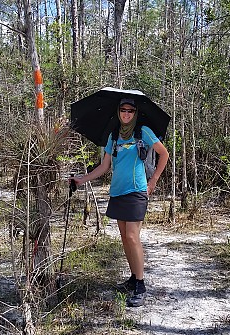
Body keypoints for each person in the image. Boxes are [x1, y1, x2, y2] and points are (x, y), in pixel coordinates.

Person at [70, 97, 169, 307]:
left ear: (135, 113)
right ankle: (133, 278)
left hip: (137, 190)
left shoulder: (143, 132)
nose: (126, 114)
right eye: (123, 110)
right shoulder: (113, 136)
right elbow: (104, 166)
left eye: (130, 111)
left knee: (133, 237)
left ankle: (140, 286)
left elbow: (164, 154)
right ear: (118, 112)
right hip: (117, 192)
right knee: (125, 238)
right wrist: (81, 180)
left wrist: (153, 181)